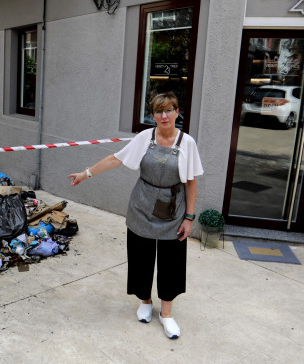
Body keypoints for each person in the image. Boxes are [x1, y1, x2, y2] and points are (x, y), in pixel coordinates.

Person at [68, 92, 203, 339]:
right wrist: (85, 173)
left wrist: (189, 217)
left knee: (171, 263)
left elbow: (191, 183)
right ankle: (145, 301)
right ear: (153, 115)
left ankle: (167, 314)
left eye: (169, 110)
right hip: (142, 206)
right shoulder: (144, 138)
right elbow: (114, 159)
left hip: (173, 210)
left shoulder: (187, 143)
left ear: (176, 112)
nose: (164, 116)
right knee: (141, 257)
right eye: (159, 111)